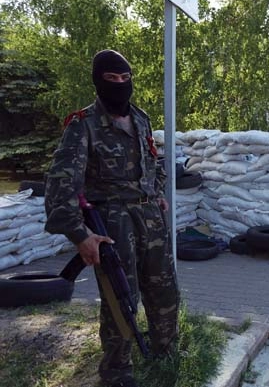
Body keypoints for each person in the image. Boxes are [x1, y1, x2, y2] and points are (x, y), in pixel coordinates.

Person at [44, 49, 180, 387]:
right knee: (121, 299)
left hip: (150, 218)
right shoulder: (83, 125)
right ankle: (117, 371)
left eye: (125, 78)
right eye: (111, 79)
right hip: (113, 223)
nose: (120, 85)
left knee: (165, 291)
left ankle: (165, 352)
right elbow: (61, 185)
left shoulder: (141, 118)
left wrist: (157, 192)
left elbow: (152, 163)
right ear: (97, 81)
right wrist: (80, 236)